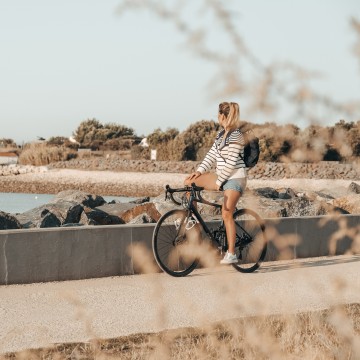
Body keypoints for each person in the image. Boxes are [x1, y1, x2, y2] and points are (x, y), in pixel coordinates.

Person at [184, 101, 247, 264]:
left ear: (223, 116)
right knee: (189, 182)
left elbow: (232, 162)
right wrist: (198, 171)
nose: (217, 117)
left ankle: (231, 253)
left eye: (218, 115)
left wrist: (219, 181)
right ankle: (192, 218)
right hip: (221, 175)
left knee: (226, 213)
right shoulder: (221, 135)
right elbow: (211, 156)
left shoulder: (237, 136)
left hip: (235, 178)